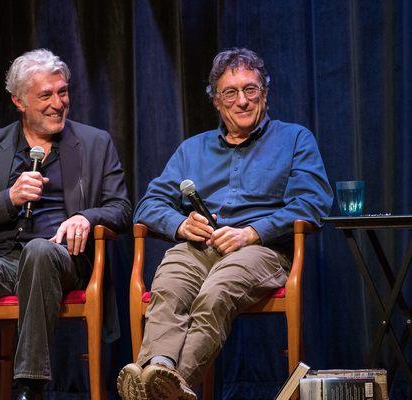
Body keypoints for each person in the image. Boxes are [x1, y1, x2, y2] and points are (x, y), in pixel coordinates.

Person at [117, 48, 333, 400]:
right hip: (199, 249)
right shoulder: (193, 149)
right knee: (169, 285)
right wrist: (180, 225)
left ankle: (161, 388)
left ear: (265, 93)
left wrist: (253, 232)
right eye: (230, 92)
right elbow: (148, 205)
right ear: (216, 101)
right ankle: (159, 367)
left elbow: (313, 202)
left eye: (251, 90)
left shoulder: (294, 139)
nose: (242, 101)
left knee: (215, 291)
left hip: (261, 252)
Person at [0, 48, 132, 400]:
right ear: (19, 102)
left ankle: (30, 386)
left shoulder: (95, 143)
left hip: (61, 258)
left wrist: (87, 216)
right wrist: (8, 199)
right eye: (46, 95)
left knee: (39, 250)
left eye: (63, 91)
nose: (59, 103)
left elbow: (122, 209)